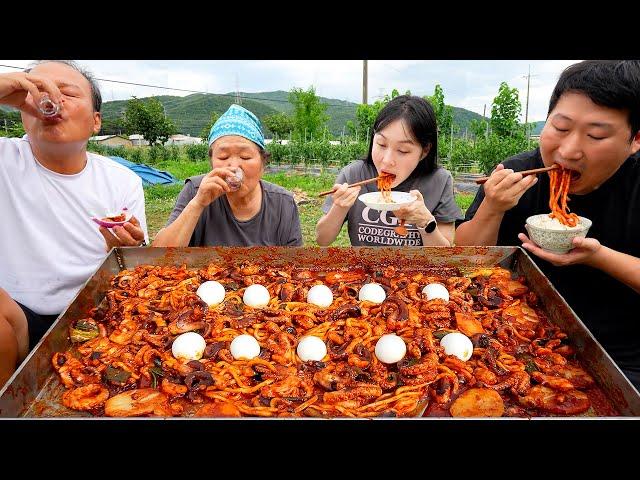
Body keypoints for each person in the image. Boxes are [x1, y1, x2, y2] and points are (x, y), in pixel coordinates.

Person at [455, 60, 640, 390]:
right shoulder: (517, 174)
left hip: (623, 357)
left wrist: (599, 257)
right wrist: (492, 207)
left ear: (635, 139)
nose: (568, 151)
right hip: (509, 339)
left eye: (596, 135)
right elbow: (464, 258)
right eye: (561, 127)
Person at [0, 60, 148, 387]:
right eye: (35, 90)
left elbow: (134, 265)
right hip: (18, 317)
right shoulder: (5, 160)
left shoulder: (122, 181)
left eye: (66, 92)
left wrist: (126, 247)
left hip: (98, 308)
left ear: (96, 122)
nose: (50, 99)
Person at [316, 95, 462, 247]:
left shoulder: (439, 181)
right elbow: (322, 240)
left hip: (417, 270)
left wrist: (425, 221)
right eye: (381, 144)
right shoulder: (353, 174)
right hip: (364, 270)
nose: (386, 160)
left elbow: (443, 256)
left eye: (403, 150)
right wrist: (340, 207)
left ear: (424, 151)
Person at [153, 104, 302, 247]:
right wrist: (198, 204)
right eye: (223, 157)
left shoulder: (283, 203)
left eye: (245, 157)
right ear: (211, 163)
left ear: (263, 163)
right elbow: (158, 259)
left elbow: (296, 265)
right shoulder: (195, 191)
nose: (233, 167)